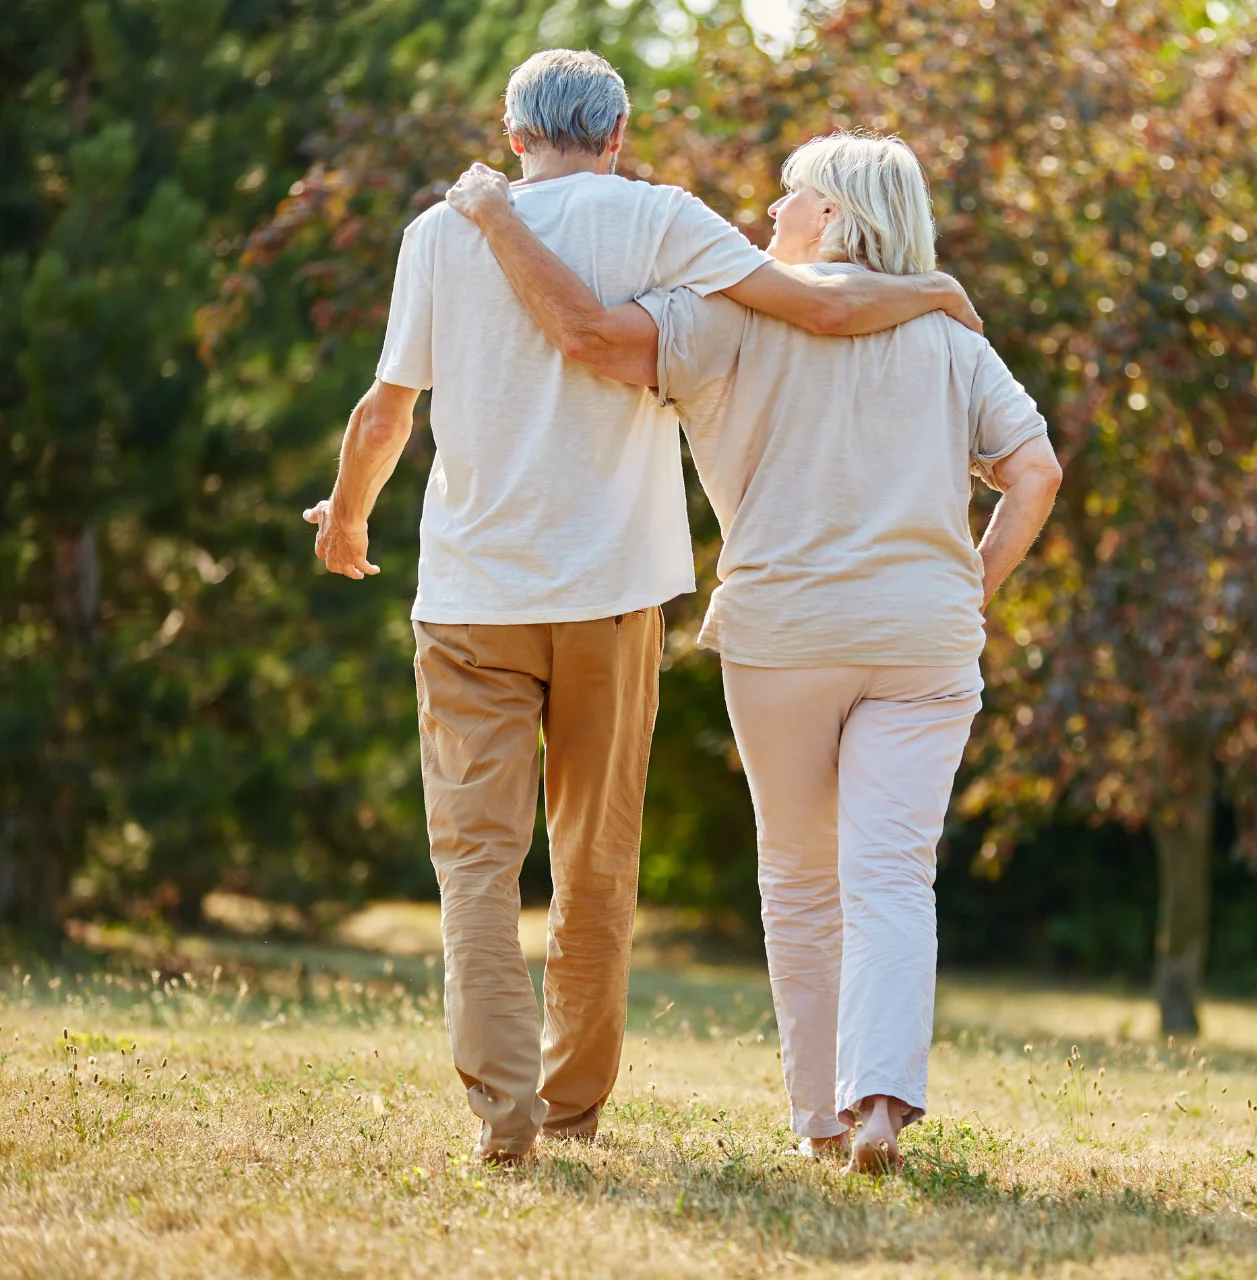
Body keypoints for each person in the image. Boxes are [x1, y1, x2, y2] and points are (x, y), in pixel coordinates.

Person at [302, 51, 981, 1168]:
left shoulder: (439, 233)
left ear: (514, 134)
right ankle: (571, 1106)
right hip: (613, 596)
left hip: (472, 598)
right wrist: (935, 294)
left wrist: (347, 519)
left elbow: (387, 409)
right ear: (618, 132)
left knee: (475, 865)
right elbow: (813, 299)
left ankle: (501, 1112)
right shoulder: (664, 219)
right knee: (596, 862)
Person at [442, 132, 1062, 1172]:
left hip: (785, 631)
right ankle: (879, 1104)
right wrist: (975, 581)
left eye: (788, 196)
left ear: (830, 215)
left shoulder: (724, 315)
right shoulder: (950, 330)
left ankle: (818, 1119)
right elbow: (1034, 470)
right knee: (895, 874)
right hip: (924, 633)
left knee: (801, 875)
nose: (768, 212)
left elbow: (595, 342)